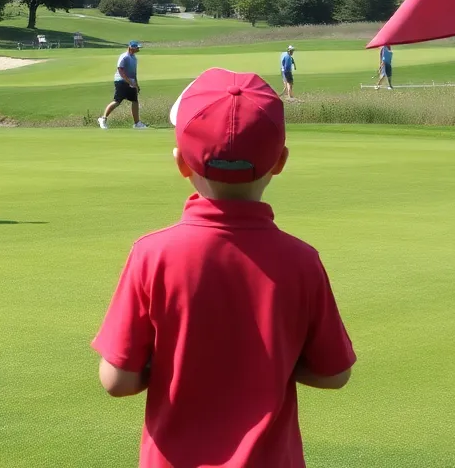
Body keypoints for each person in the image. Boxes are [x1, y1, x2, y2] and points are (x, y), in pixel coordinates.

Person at [92, 68, 356, 468]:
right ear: (280, 161)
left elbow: (118, 381)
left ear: (181, 163)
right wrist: (275, 361)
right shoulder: (302, 260)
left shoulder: (152, 254)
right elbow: (334, 373)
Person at [98, 40, 147, 129]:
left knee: (135, 101)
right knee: (117, 101)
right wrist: (128, 81)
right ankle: (103, 119)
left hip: (131, 82)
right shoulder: (124, 57)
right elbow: (120, 70)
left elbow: (134, 73)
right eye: (137, 47)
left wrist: (136, 84)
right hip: (121, 81)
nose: (139, 49)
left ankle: (137, 123)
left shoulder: (134, 58)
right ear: (131, 47)